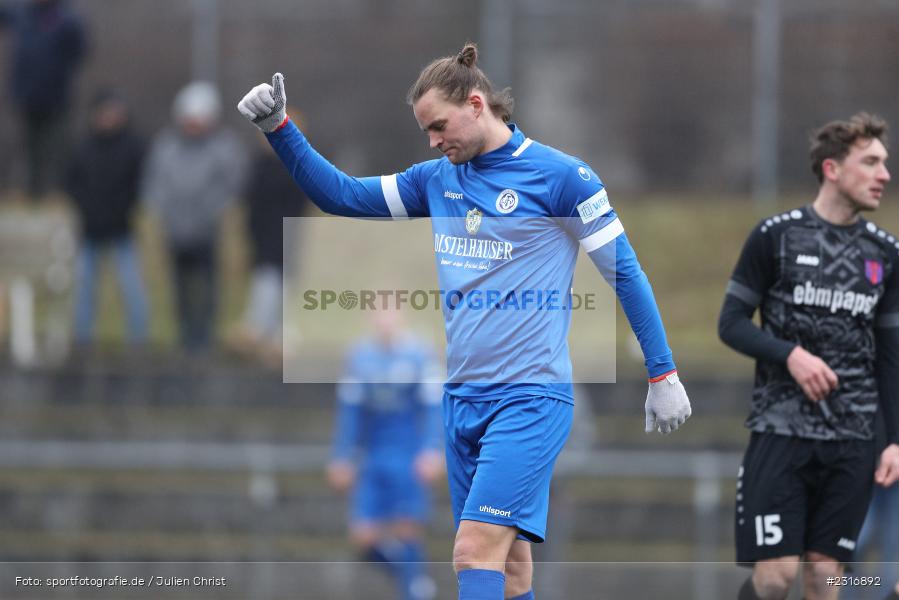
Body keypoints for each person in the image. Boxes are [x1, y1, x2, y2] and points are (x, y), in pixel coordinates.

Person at [238, 42, 691, 600]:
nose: (432, 141)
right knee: (511, 570)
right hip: (461, 402)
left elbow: (626, 274)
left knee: (472, 551)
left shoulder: (563, 178)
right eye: (426, 131)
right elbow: (344, 197)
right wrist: (279, 128)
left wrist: (662, 372)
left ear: (477, 105)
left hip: (529, 399)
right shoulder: (436, 179)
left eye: (439, 126)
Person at [718, 112, 899, 600]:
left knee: (827, 578)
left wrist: (894, 439)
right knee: (777, 578)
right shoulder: (774, 237)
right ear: (833, 169)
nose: (885, 174)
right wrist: (791, 355)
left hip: (854, 440)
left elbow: (890, 357)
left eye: (885, 163)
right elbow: (730, 324)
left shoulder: (886, 253)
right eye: (871, 162)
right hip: (782, 433)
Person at [327, 309, 444, 600]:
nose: (385, 319)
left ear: (401, 317)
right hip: (372, 457)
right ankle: (416, 583)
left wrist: (432, 449)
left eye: (390, 312)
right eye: (379, 312)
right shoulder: (360, 358)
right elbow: (351, 413)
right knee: (362, 537)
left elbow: (434, 407)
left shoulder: (420, 355)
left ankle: (414, 592)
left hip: (407, 455)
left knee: (406, 530)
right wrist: (342, 456)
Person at [142, 81, 247, 353]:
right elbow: (155, 185)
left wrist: (213, 211)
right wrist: (163, 212)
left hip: (206, 231)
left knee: (208, 287)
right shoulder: (166, 147)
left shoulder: (223, 147)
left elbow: (233, 184)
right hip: (175, 230)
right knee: (180, 289)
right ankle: (184, 338)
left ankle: (206, 338)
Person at [65, 89, 149, 345]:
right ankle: (82, 342)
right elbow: (72, 183)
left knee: (131, 288)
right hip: (89, 228)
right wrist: (86, 207)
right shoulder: (83, 147)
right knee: (84, 290)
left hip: (121, 227)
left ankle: (138, 341)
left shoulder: (133, 147)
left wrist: (124, 208)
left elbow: (138, 185)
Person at [226, 130, 308, 366]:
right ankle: (264, 336)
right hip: (264, 237)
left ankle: (273, 337)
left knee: (281, 287)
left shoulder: (296, 165)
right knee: (267, 282)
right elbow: (250, 203)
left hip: (288, 236)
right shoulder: (258, 166)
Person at [0, 0, 87, 200]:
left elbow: (80, 51)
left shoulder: (68, 18)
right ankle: (32, 191)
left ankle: (58, 190)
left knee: (56, 146)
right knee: (28, 146)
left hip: (56, 95)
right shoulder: (21, 12)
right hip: (25, 94)